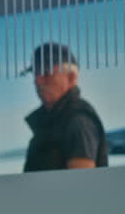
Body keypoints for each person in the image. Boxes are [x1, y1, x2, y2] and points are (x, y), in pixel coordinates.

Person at [22, 42, 108, 172]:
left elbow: (82, 186)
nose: (37, 81)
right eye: (35, 73)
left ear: (71, 77)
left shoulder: (78, 122)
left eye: (46, 73)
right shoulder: (52, 123)